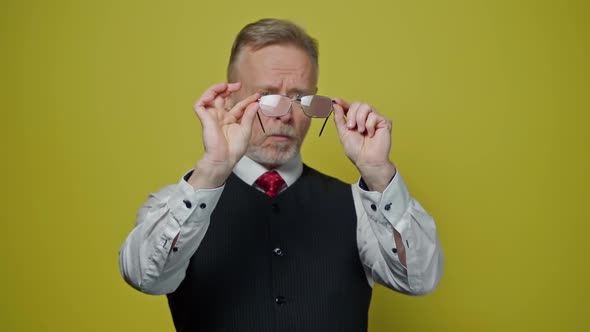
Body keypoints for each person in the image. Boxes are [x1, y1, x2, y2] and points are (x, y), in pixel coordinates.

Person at [119, 18, 443, 332]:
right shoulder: (178, 203)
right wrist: (212, 169)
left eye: (301, 98)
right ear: (230, 99)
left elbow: (420, 278)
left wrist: (379, 175)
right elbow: (145, 277)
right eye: (267, 96)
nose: (286, 115)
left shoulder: (359, 206)